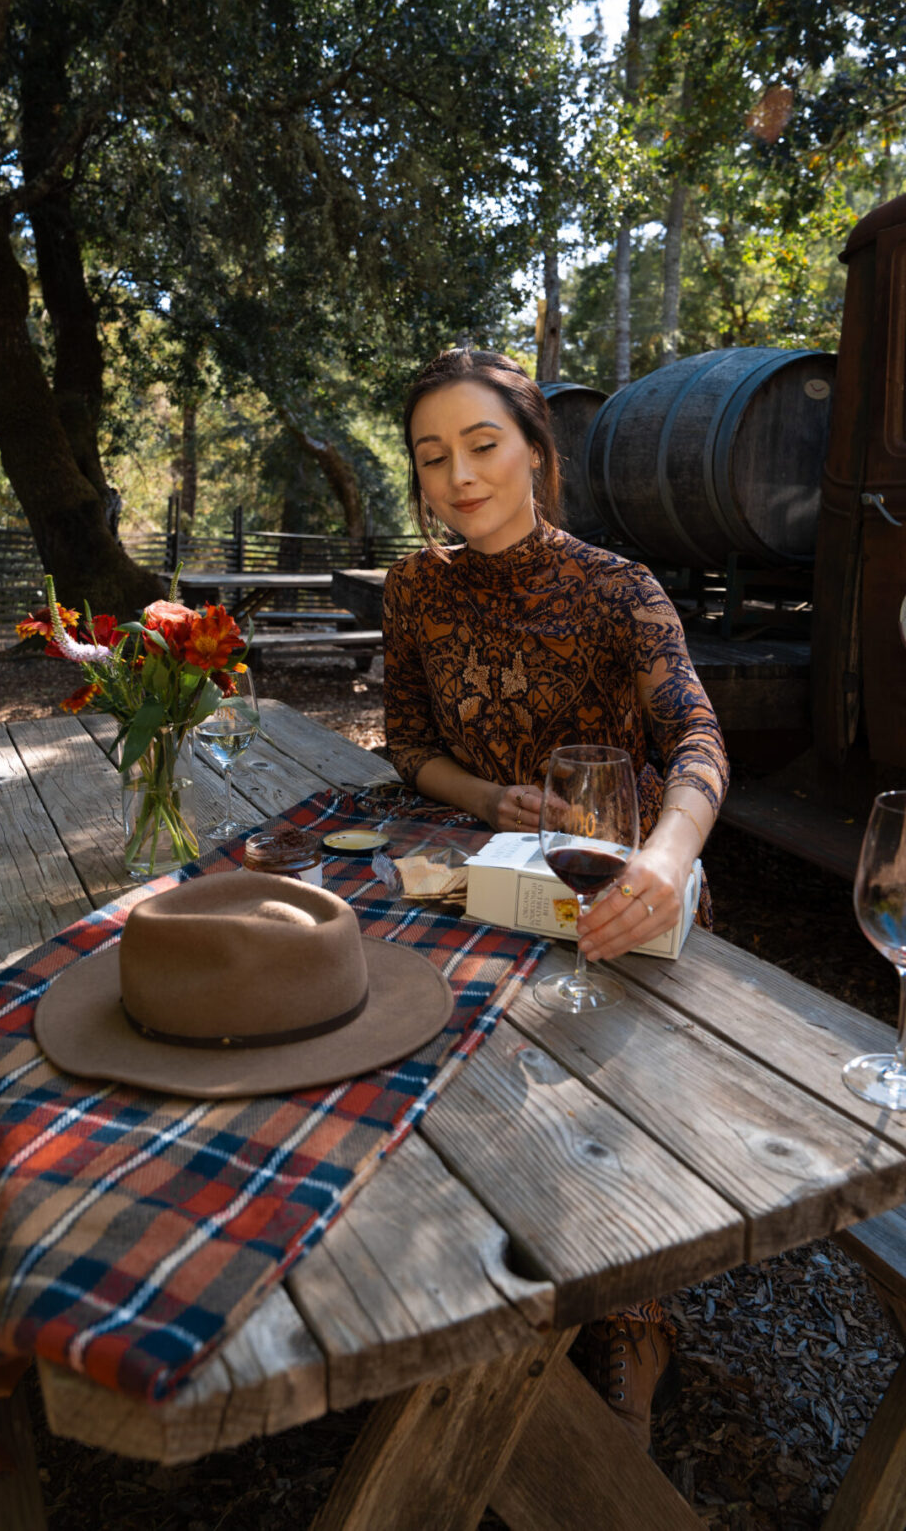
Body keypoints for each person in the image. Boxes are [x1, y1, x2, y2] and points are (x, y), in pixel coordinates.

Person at [382, 347, 730, 1448]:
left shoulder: (621, 589)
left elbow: (699, 740)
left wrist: (667, 861)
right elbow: (408, 746)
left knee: (599, 1092)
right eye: (433, 458)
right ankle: (457, 1255)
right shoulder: (415, 587)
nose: (459, 477)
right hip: (488, 867)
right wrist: (493, 798)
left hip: (617, 879)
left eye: (483, 445)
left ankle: (634, 1312)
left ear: (536, 451)